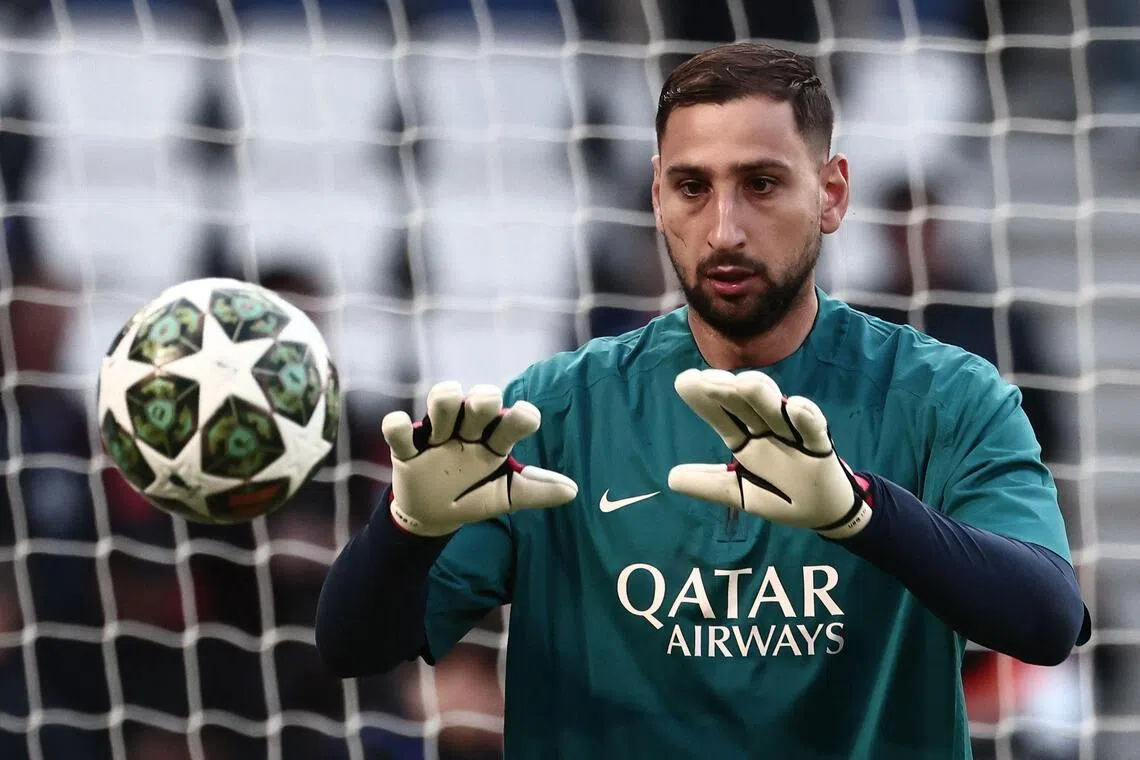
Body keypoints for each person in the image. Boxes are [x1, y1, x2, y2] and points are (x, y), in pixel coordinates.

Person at [314, 42, 1090, 759]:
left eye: (761, 184)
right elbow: (354, 646)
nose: (723, 230)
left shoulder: (945, 396)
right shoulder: (555, 411)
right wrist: (403, 529)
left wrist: (860, 513)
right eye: (693, 187)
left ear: (831, 194)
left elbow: (1046, 619)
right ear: (657, 194)